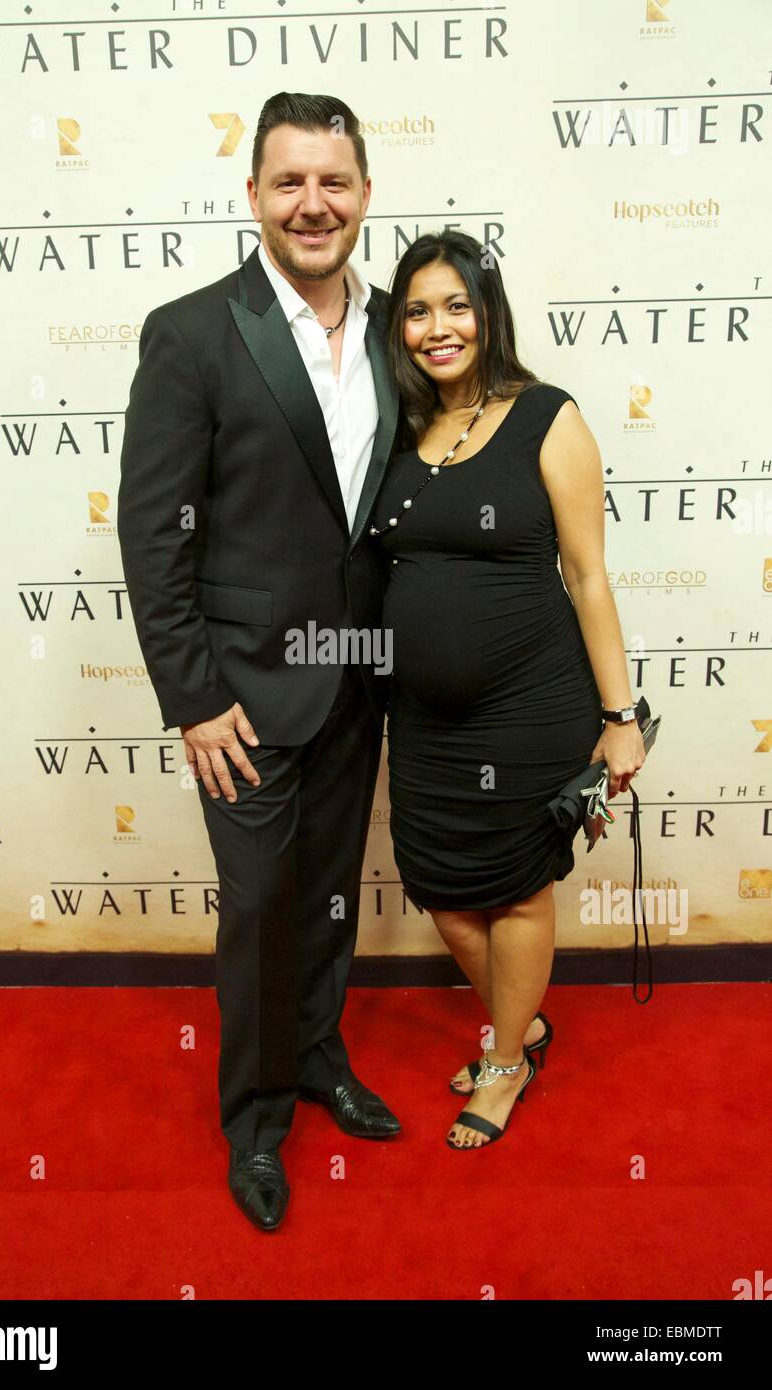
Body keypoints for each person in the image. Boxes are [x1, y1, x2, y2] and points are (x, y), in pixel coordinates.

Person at [117, 92, 402, 1232]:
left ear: (365, 195)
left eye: (333, 181)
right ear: (251, 198)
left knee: (329, 893)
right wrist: (192, 698)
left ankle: (320, 1054)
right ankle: (255, 1120)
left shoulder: (395, 330)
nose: (312, 203)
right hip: (238, 688)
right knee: (258, 905)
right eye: (288, 182)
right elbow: (151, 531)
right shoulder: (190, 332)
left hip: (357, 669)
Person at [369, 230, 646, 1150]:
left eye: (456, 305)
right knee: (443, 887)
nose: (437, 327)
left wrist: (620, 719)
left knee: (517, 889)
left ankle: (503, 1061)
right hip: (423, 719)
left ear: (488, 313)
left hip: (528, 705)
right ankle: (519, 1026)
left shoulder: (548, 417)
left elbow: (589, 574)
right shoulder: (400, 428)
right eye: (416, 310)